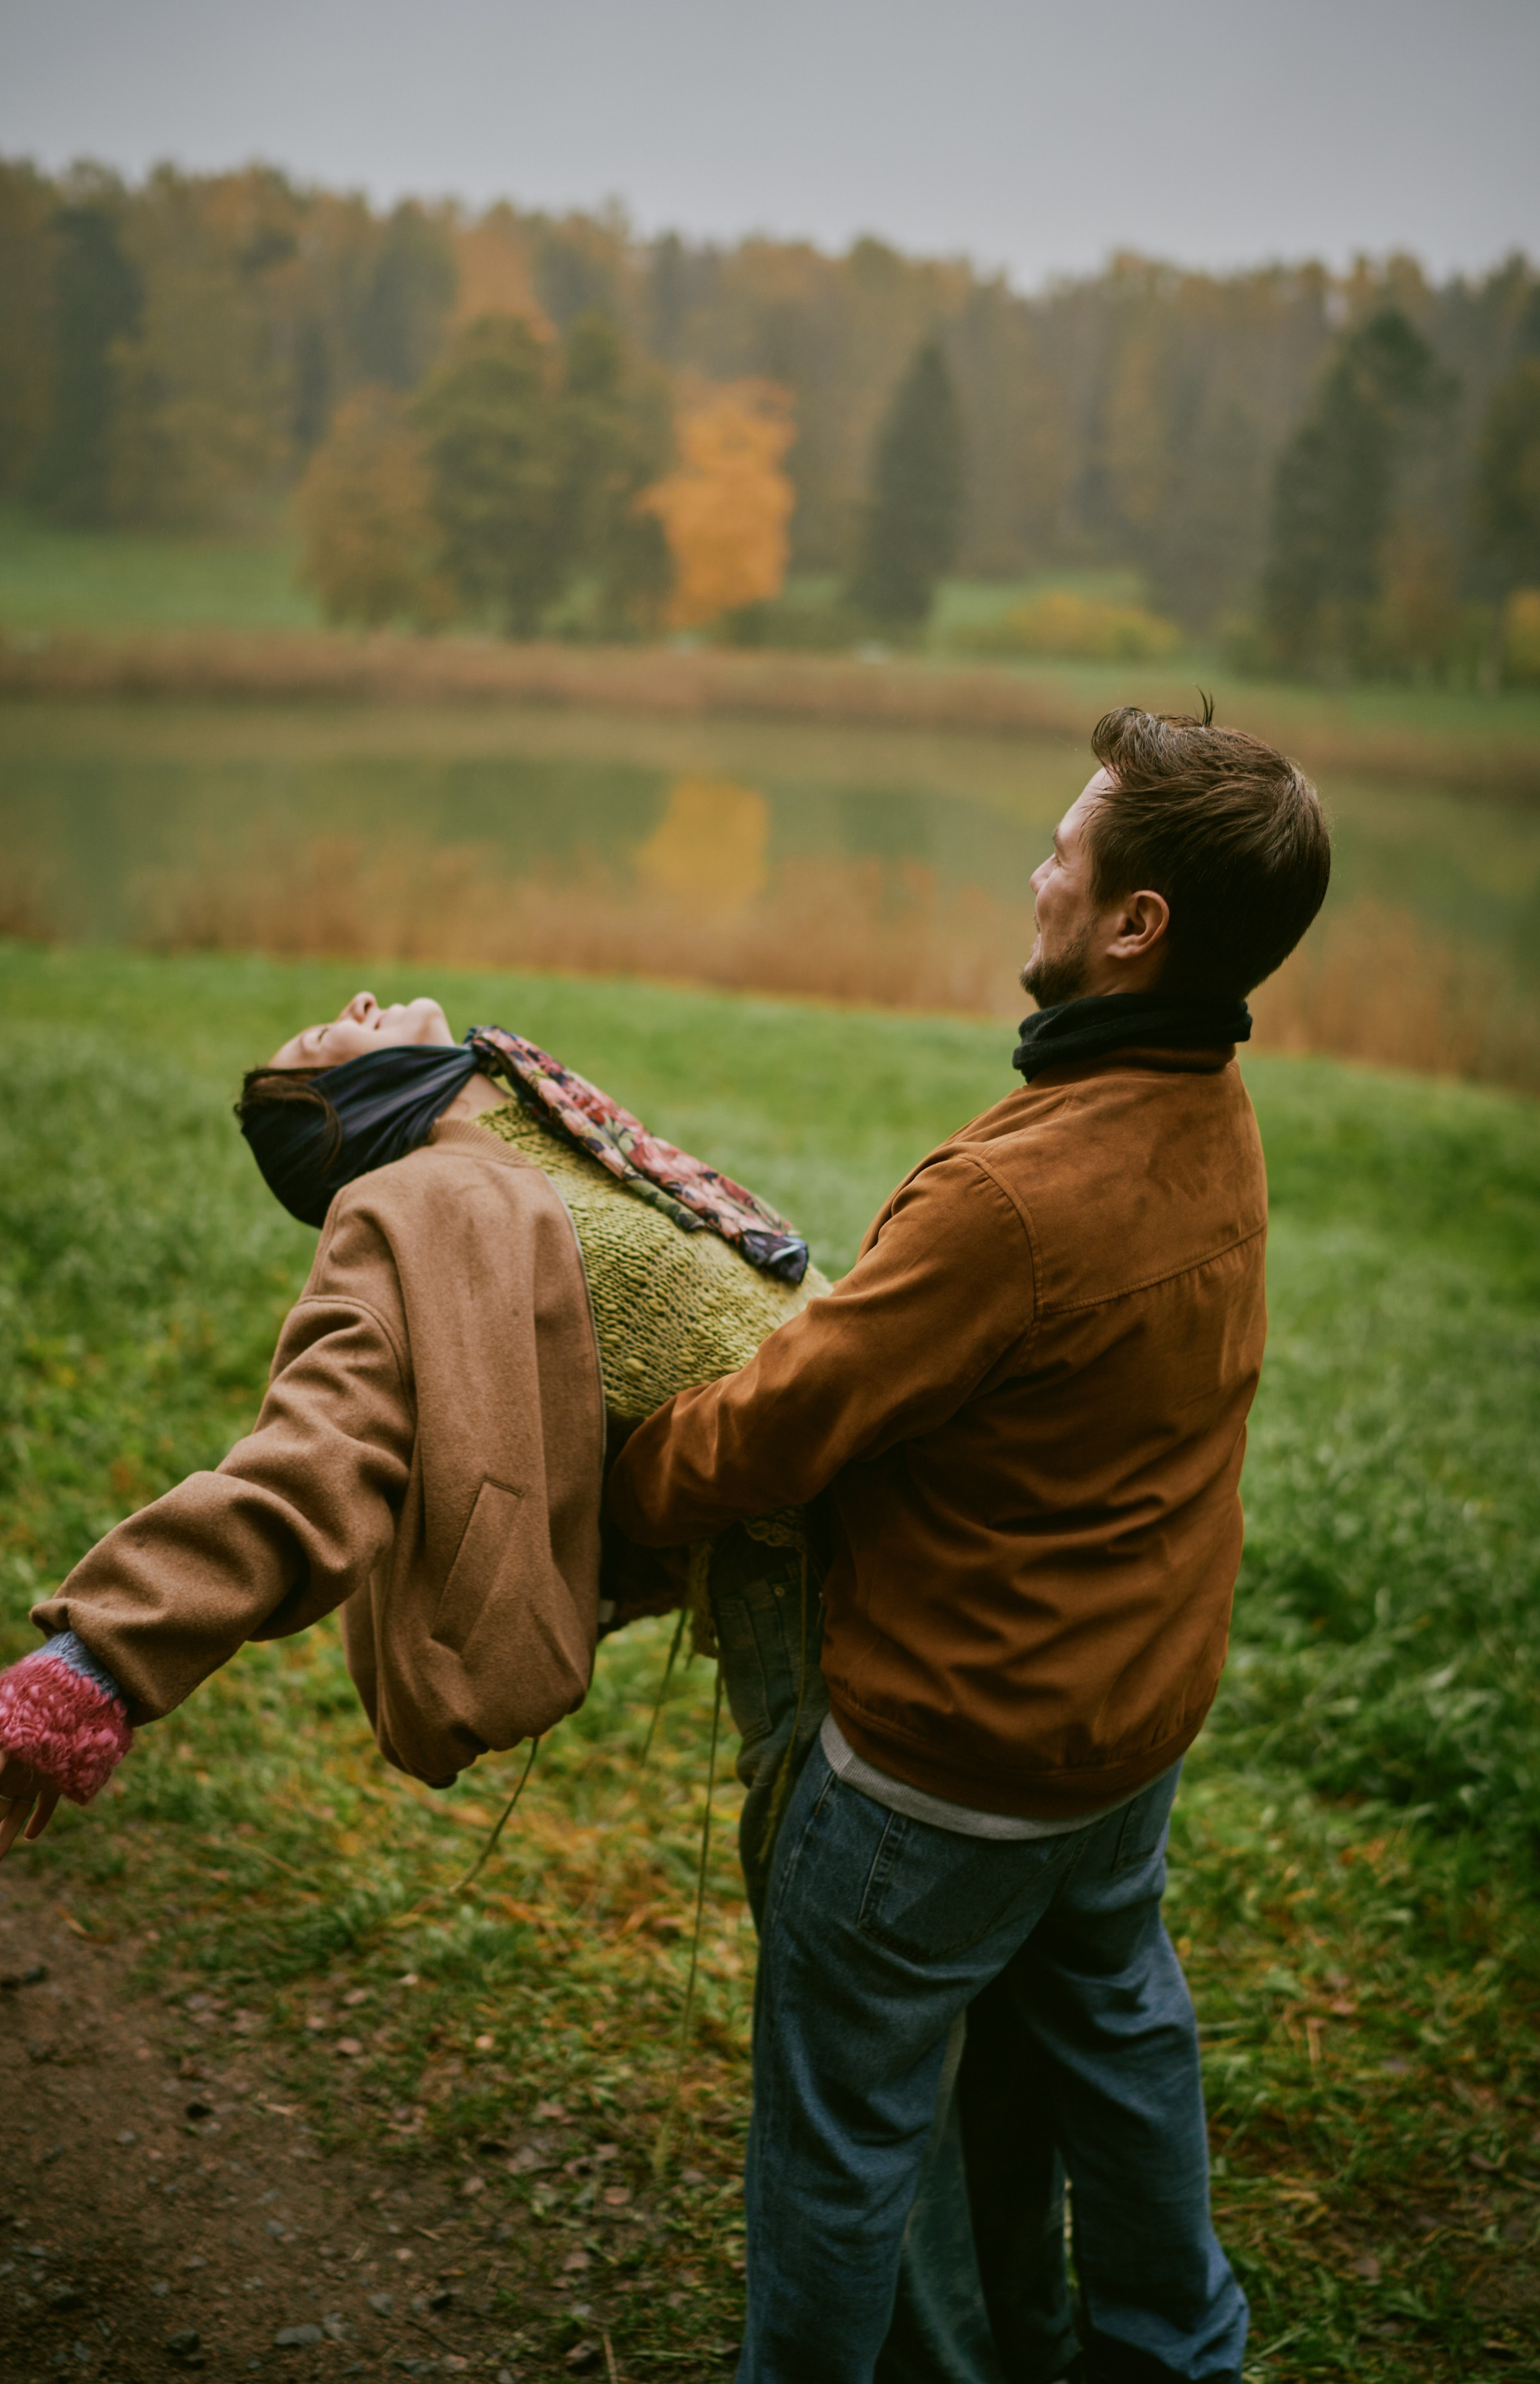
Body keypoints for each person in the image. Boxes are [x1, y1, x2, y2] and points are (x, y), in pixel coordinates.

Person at [605, 704, 1333, 2384]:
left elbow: (787, 1421)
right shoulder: (1211, 1106)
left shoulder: (1009, 1203)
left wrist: (632, 1490)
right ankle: (1179, 2352)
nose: (1034, 873)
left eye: (1061, 853)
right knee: (1122, 2032)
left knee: (844, 2138)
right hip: (1121, 1741)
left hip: (939, 1781)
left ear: (1135, 924)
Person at [0, 995, 829, 1887]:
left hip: (873, 1483)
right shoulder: (403, 1209)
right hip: (795, 1559)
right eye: (326, 1035)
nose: (361, 1001)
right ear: (340, 1107)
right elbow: (315, 1458)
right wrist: (93, 1666)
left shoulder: (559, 1130)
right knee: (836, 1874)